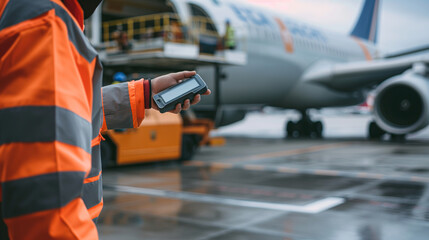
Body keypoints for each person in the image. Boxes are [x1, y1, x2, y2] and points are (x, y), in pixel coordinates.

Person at [0, 0, 210, 239]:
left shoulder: (27, 12)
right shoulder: (45, 21)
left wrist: (145, 94)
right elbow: (49, 211)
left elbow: (66, 106)